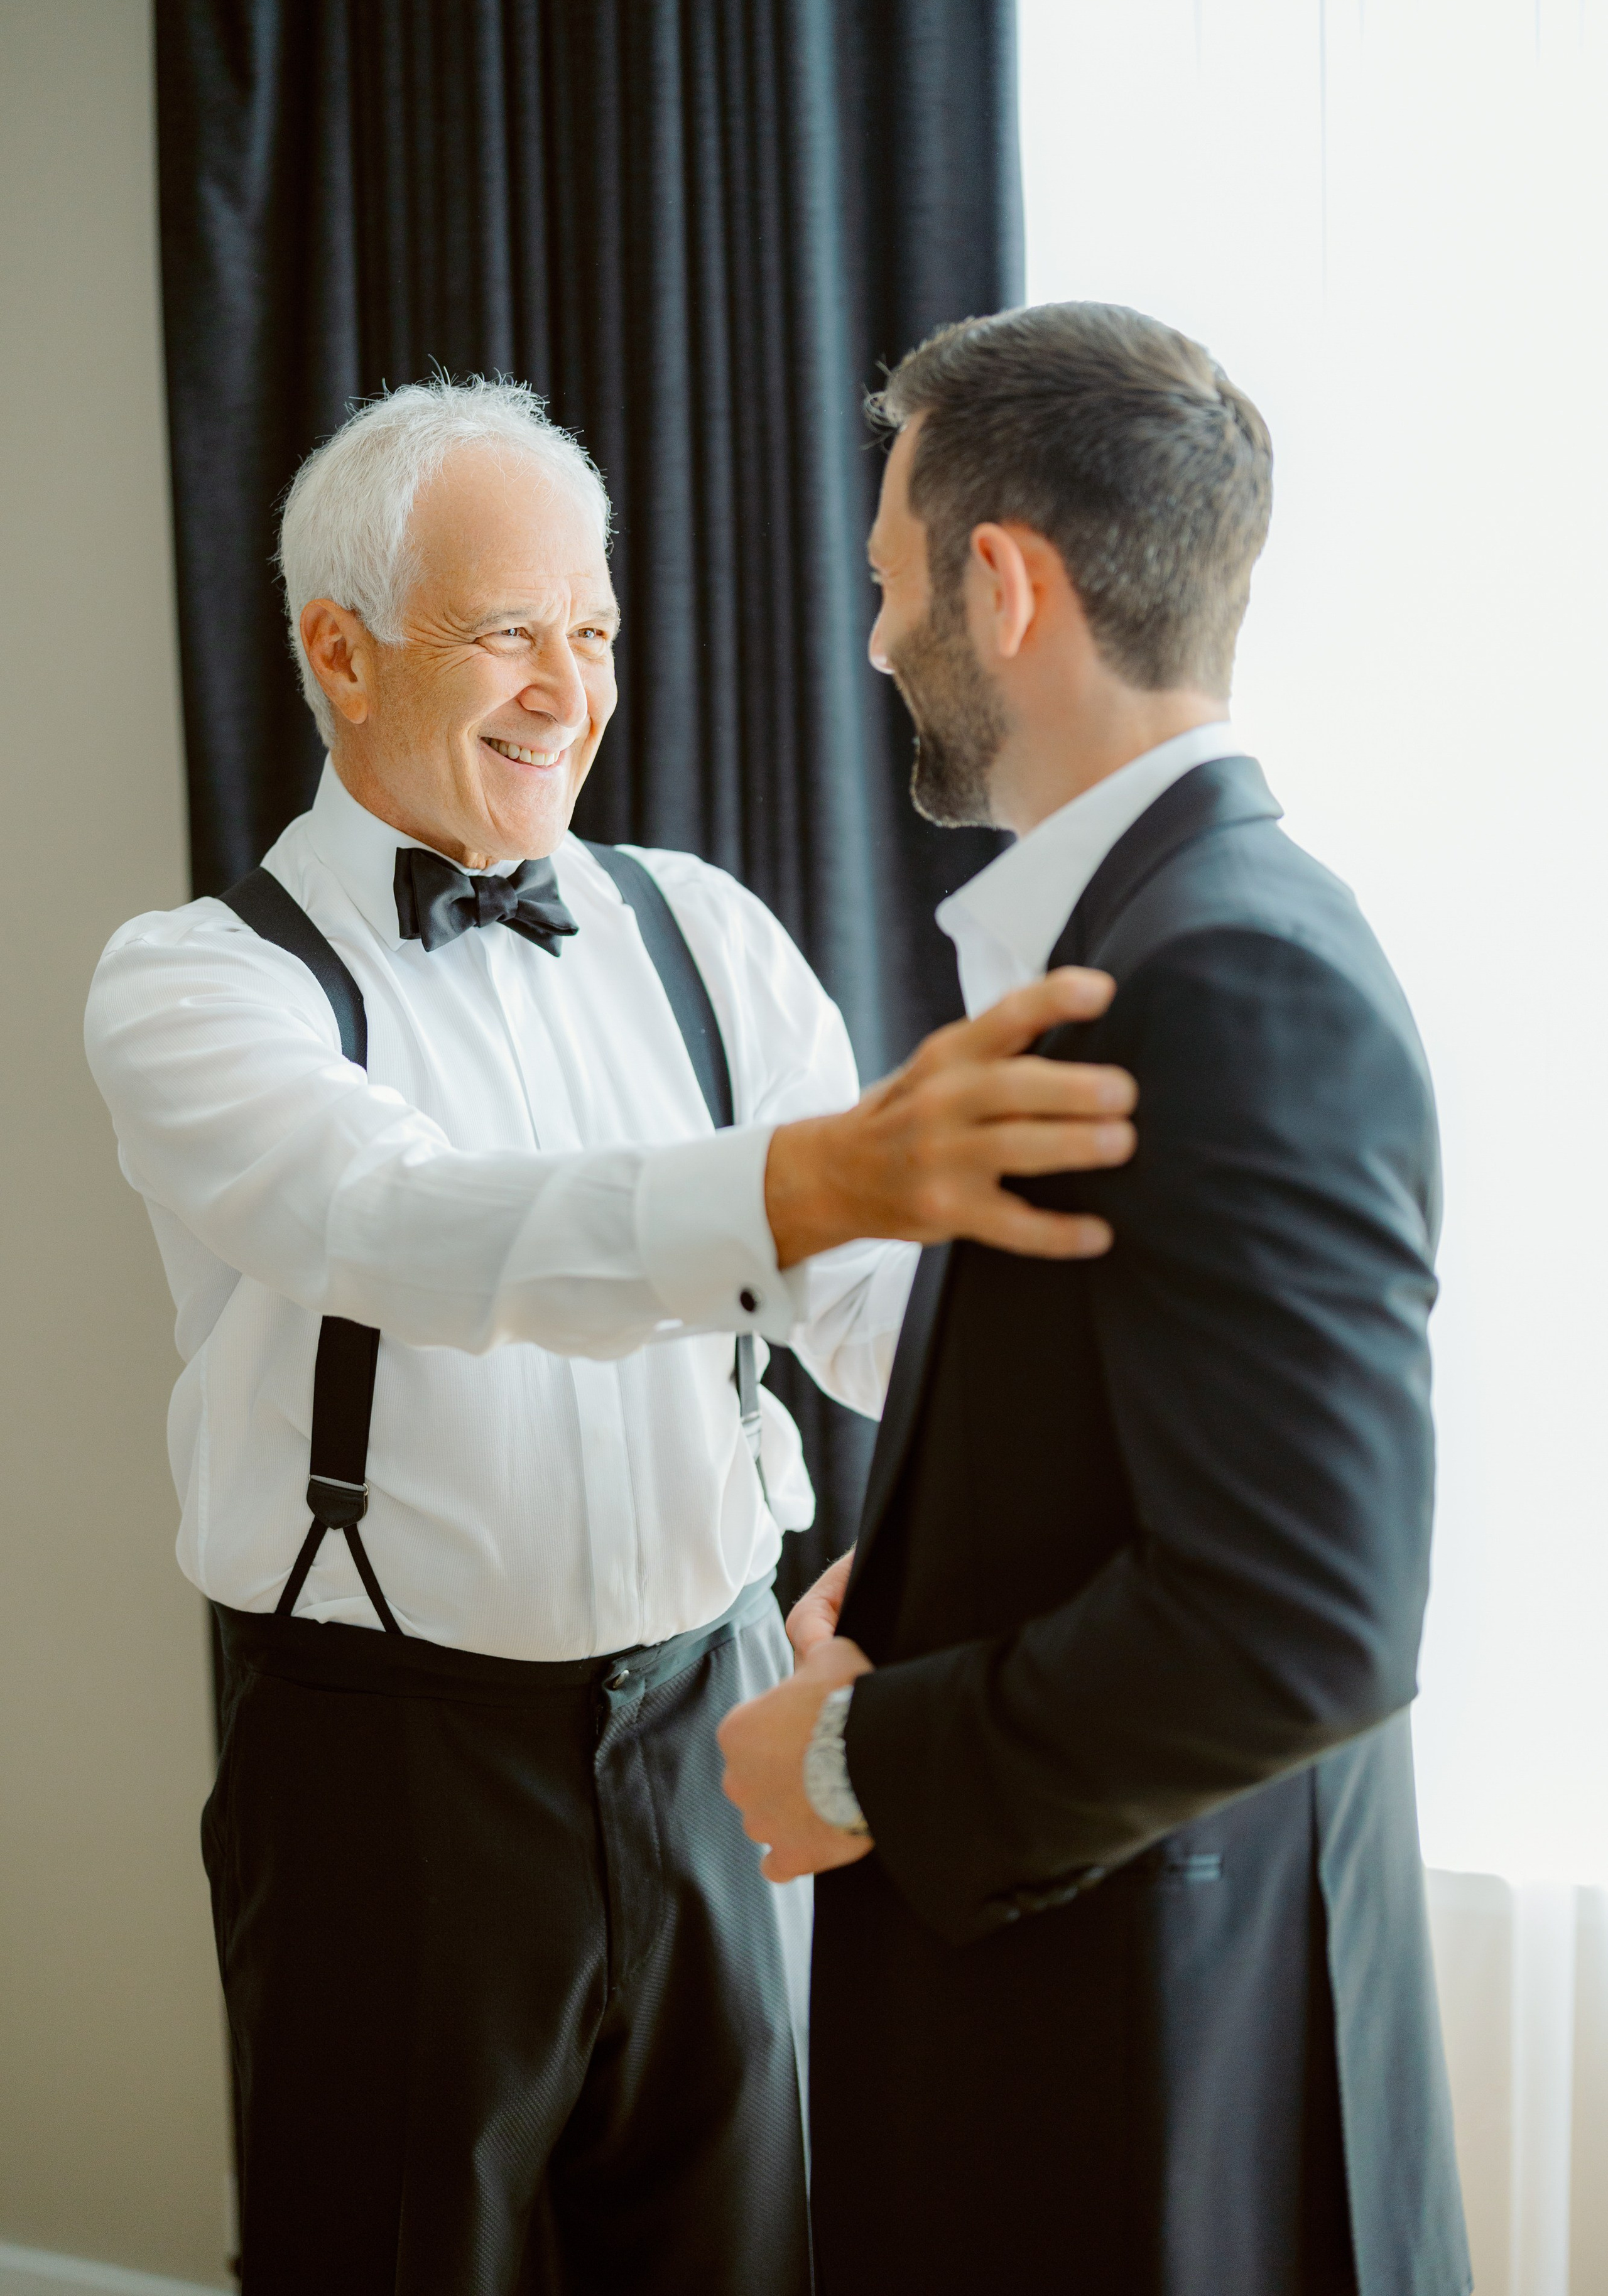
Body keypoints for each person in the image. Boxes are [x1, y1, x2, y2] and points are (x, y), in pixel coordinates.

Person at [84, 376, 1137, 2296]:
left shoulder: (707, 933)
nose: (567, 689)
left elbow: (867, 1310)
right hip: (389, 1779)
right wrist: (806, 1183)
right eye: (508, 634)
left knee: (740, 2260)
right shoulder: (197, 988)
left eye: (595, 634)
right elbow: (407, 1229)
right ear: (338, 651)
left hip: (710, 1726)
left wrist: (1120, 1368)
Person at [719, 305, 1471, 2296]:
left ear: (1001, 581)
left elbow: (1304, 1620)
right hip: (1117, 2025)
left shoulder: (1231, 975)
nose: (878, 642)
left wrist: (858, 1760)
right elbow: (1148, 1453)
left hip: (1150, 2090)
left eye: (891, 583)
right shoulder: (1162, 938)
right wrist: (902, 1586)